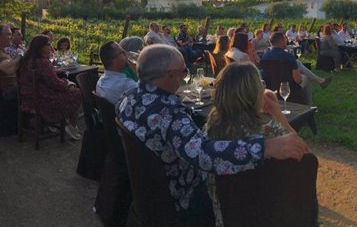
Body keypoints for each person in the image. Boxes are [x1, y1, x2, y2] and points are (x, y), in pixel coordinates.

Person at [117, 44, 309, 224]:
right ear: (170, 75)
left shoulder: (127, 98)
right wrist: (266, 146)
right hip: (182, 197)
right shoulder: (169, 114)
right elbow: (204, 156)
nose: (186, 74)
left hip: (149, 191)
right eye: (184, 71)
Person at [203, 62, 296, 226]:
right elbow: (304, 155)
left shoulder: (210, 129)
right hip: (267, 217)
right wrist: (277, 113)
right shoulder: (268, 133)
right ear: (254, 93)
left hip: (225, 218)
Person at [17, 35, 82, 140]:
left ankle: (62, 122)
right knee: (77, 92)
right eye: (48, 44)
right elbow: (54, 83)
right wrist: (68, 83)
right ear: (40, 47)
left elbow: (46, 79)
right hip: (42, 100)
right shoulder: (43, 62)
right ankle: (71, 125)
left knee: (70, 90)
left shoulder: (27, 60)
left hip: (28, 97)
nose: (50, 47)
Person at [262, 32, 332, 91]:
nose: (286, 41)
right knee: (305, 77)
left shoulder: (264, 57)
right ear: (281, 41)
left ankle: (320, 81)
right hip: (289, 87)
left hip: (271, 86)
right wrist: (298, 72)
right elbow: (298, 80)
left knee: (298, 64)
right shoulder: (289, 57)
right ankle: (306, 103)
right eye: (285, 39)